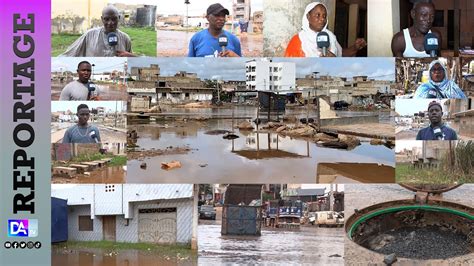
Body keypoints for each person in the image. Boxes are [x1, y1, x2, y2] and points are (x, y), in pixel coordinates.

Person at [284, 2, 366, 57]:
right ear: (308, 17)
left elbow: (341, 53)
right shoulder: (298, 40)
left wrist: (355, 47)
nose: (322, 19)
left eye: (324, 16)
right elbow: (290, 68)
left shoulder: (330, 36)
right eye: (317, 15)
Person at [60, 6, 134, 57]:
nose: (110, 23)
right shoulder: (89, 35)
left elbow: (131, 60)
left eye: (114, 19)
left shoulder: (125, 38)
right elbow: (69, 53)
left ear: (119, 18)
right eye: (106, 19)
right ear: (102, 19)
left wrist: (131, 57)